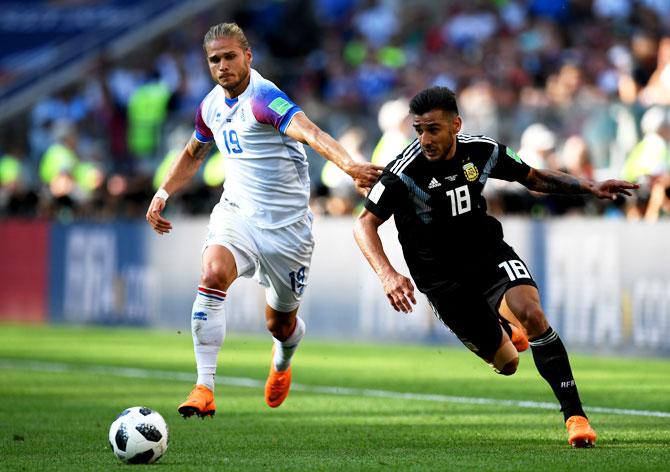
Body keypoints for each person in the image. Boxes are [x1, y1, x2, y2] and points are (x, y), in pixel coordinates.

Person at [353, 86, 638, 448]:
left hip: (489, 257)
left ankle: (575, 417)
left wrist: (589, 186)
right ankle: (502, 328)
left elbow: (532, 177)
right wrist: (387, 273)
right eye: (419, 129)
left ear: (456, 124)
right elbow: (364, 223)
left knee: (532, 314)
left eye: (434, 129)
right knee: (508, 363)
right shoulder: (404, 172)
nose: (425, 138)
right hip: (442, 281)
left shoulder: (482, 151)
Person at [146, 22, 381, 418]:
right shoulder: (210, 107)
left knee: (280, 324)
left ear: (248, 56)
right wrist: (163, 192)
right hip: (237, 215)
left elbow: (310, 132)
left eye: (229, 57)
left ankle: (284, 357)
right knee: (213, 274)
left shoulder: (264, 98)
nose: (222, 66)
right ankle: (204, 386)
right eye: (214, 60)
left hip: (287, 232)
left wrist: (351, 167)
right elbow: (191, 153)